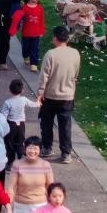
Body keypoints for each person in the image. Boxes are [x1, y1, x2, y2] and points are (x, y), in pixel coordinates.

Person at [36, 26, 79, 164]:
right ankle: (66, 153)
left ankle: (47, 147)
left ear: (55, 38)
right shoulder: (75, 53)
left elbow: (44, 75)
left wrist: (40, 92)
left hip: (50, 94)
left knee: (46, 122)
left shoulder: (51, 54)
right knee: (65, 125)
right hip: (67, 95)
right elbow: (76, 73)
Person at [6, 138, 54, 213]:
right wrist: (9, 211)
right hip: (21, 207)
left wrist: (52, 207)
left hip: (40, 207)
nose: (32, 151)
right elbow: (11, 188)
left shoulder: (45, 165)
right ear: (25, 149)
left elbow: (51, 188)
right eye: (30, 148)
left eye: (35, 148)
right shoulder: (17, 165)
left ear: (40, 150)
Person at [1, 79, 39, 177]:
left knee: (9, 144)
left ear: (10, 90)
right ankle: (22, 158)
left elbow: (3, 116)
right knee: (20, 141)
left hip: (11, 124)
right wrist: (39, 101)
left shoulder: (7, 102)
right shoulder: (24, 99)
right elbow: (33, 105)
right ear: (22, 91)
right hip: (21, 125)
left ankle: (10, 162)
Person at [11, 183, 78, 213]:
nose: (57, 199)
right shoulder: (42, 210)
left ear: (64, 197)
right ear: (49, 196)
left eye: (60, 196)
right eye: (54, 196)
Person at [9, 0, 46, 71]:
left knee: (35, 48)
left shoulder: (40, 8)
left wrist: (42, 31)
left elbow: (41, 20)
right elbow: (18, 18)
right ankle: (25, 56)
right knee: (26, 48)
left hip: (36, 34)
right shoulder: (25, 8)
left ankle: (34, 64)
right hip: (26, 33)